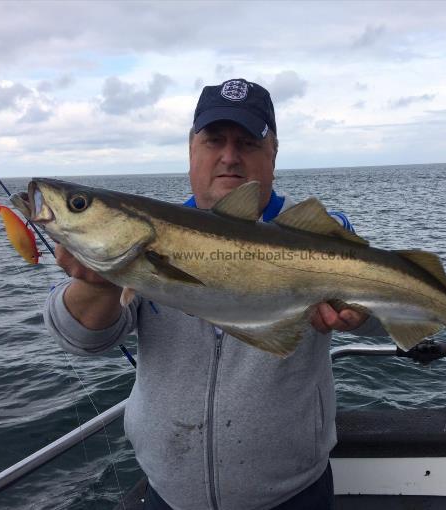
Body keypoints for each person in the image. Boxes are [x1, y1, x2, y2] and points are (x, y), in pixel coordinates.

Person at [45, 78, 386, 510]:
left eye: (247, 143)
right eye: (214, 141)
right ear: (191, 149)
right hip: (168, 494)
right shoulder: (147, 236)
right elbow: (83, 338)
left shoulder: (318, 234)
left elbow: (380, 317)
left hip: (294, 495)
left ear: (273, 154)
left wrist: (361, 310)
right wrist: (97, 280)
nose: (229, 157)